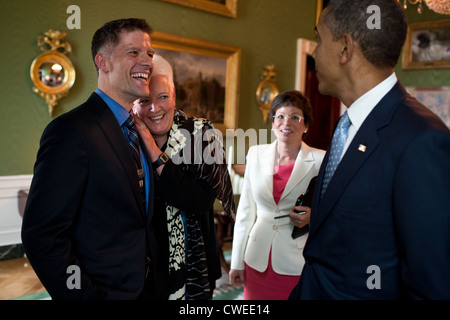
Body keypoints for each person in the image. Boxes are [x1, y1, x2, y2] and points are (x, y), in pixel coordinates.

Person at [290, 0, 450, 300]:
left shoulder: (422, 142)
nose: (314, 52)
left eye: (319, 39)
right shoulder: (346, 125)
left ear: (345, 49)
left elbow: (432, 285)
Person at [21, 18, 167, 300]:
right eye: (133, 52)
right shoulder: (71, 131)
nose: (147, 62)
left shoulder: (139, 130)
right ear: (103, 62)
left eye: (149, 53)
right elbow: (43, 237)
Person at [132, 54, 236, 300]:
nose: (155, 108)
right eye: (144, 100)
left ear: (174, 95)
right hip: (143, 267)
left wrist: (154, 152)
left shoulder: (202, 135)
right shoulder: (125, 138)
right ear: (133, 105)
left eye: (163, 97)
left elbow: (200, 200)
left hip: (194, 267)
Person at [229, 90, 325, 300]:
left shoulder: (320, 161)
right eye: (280, 116)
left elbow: (333, 210)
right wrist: (236, 262)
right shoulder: (255, 154)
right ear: (272, 123)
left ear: (306, 125)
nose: (286, 123)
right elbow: (245, 212)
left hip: (295, 261)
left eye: (295, 117)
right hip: (256, 259)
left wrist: (312, 216)